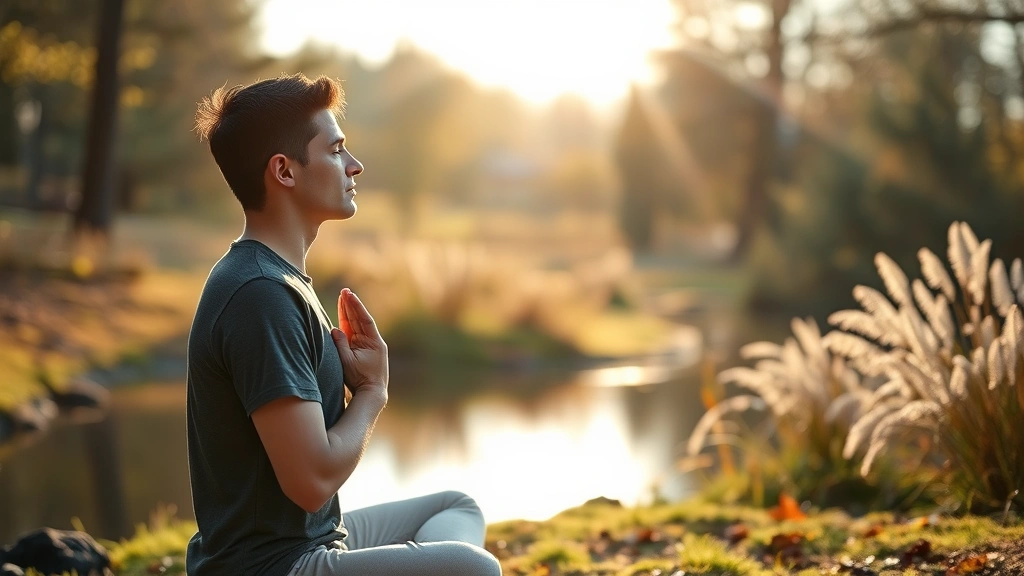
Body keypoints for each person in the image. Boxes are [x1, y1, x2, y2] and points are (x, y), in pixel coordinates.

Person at [186, 73, 501, 576]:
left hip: (313, 540)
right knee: (473, 569)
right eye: (335, 151)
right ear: (284, 171)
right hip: (270, 567)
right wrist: (373, 393)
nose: (355, 165)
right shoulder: (259, 294)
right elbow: (310, 481)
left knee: (455, 508)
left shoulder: (279, 279)